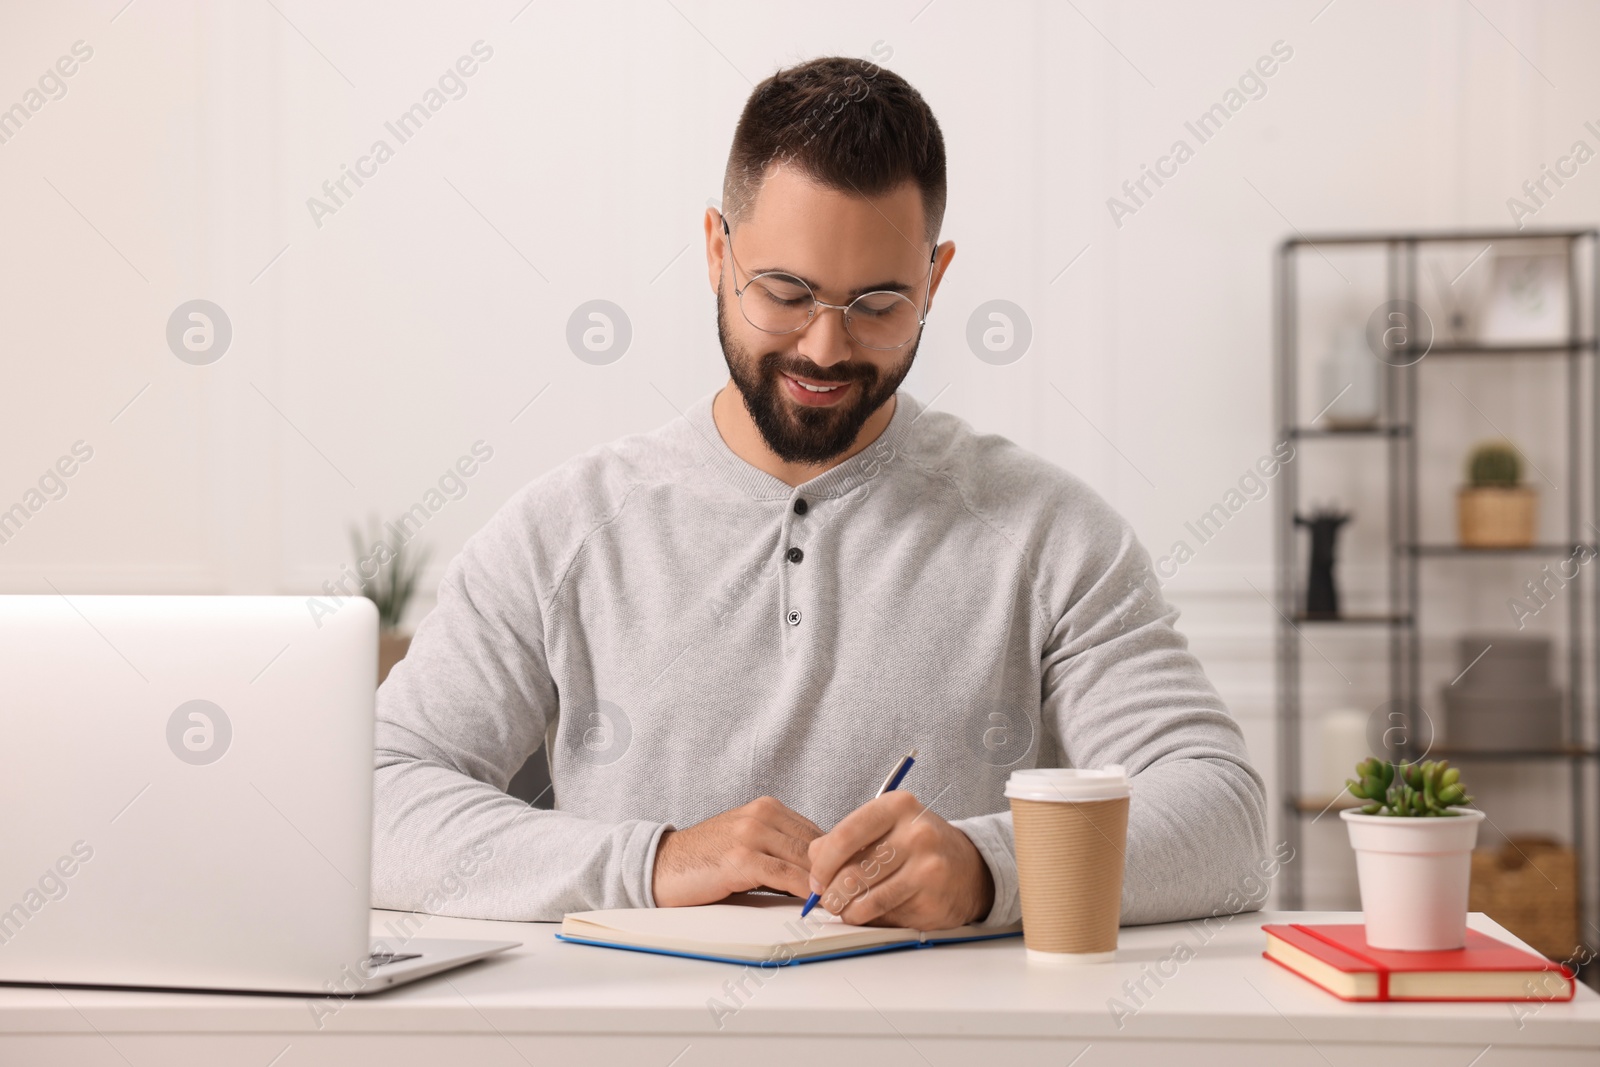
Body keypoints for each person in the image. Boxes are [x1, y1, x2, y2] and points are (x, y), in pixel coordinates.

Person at [372, 55, 1268, 931]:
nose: (827, 349)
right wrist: (654, 862)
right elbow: (374, 798)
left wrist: (989, 871)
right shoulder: (560, 532)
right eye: (787, 292)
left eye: (879, 303)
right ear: (719, 250)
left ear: (936, 278)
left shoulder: (1052, 535)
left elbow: (1225, 821)